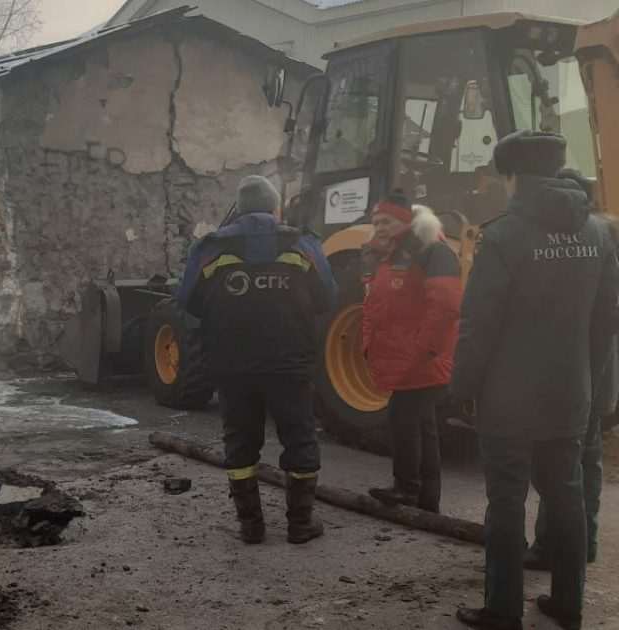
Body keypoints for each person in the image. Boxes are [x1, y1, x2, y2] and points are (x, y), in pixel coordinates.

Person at [451, 131, 619, 630]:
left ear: (513, 176)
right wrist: (586, 378)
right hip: (571, 393)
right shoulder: (597, 233)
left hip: (509, 400)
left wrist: (462, 390)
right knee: (567, 496)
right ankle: (569, 604)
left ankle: (503, 608)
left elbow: (479, 325)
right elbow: (606, 320)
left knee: (506, 500)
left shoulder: (503, 236)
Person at [178, 175, 337, 545]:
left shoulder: (210, 248)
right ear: (276, 209)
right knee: (299, 438)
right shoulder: (303, 244)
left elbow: (187, 301)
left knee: (240, 442)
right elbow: (326, 299)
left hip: (231, 364)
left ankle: (251, 525)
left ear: (239, 208)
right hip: (290, 363)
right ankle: (300, 524)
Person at [526, 170, 617, 570]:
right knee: (585, 461)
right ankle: (584, 542)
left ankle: (552, 546)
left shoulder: (576, 244)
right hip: (599, 376)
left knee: (558, 464)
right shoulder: (604, 237)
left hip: (576, 376)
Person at [361, 191, 463, 513]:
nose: (380, 227)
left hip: (421, 356)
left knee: (403, 416)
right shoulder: (386, 254)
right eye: (376, 221)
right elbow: (374, 304)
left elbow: (446, 306)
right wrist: (368, 343)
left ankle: (407, 487)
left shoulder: (430, 250)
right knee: (422, 423)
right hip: (411, 354)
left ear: (405, 221)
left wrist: (425, 348)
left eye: (387, 221)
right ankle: (426, 497)